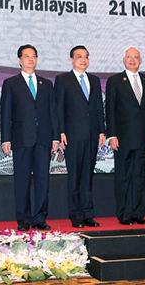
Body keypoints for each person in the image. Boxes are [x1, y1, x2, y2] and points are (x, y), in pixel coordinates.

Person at [0, 44, 59, 231]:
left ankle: (40, 218)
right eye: (27, 56)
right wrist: (6, 138)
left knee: (43, 180)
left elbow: (52, 112)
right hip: (21, 139)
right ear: (20, 60)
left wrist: (55, 137)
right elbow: (6, 112)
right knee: (22, 180)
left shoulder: (46, 84)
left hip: (43, 139)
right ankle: (24, 219)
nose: (31, 59)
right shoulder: (11, 83)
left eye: (34, 56)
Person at [54, 46, 105, 228]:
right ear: (71, 59)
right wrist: (60, 131)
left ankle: (88, 214)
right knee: (75, 176)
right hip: (72, 135)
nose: (83, 60)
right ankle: (76, 215)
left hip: (92, 134)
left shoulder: (94, 80)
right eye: (79, 56)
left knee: (87, 176)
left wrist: (101, 131)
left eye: (86, 57)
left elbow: (98, 107)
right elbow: (58, 107)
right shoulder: (63, 79)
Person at [105, 47, 145, 225]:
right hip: (122, 138)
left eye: (136, 57)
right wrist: (112, 135)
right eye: (129, 57)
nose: (132, 60)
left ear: (140, 61)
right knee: (124, 177)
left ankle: (138, 213)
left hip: (142, 137)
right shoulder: (115, 81)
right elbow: (110, 109)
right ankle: (124, 214)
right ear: (124, 59)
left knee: (139, 176)